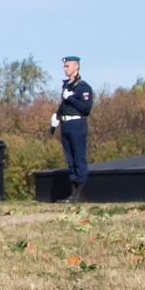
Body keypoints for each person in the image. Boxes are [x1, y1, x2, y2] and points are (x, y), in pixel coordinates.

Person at [52, 57, 94, 201]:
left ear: (76, 67)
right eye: (64, 66)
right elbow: (64, 105)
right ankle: (73, 193)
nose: (65, 69)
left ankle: (79, 193)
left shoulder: (83, 87)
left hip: (77, 125)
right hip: (66, 125)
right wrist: (57, 115)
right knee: (70, 161)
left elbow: (86, 108)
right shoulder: (67, 86)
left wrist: (71, 98)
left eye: (67, 66)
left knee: (79, 159)